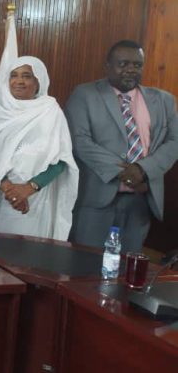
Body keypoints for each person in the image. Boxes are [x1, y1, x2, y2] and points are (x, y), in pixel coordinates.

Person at [66, 40, 178, 253]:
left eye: (137, 65)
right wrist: (124, 172)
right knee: (86, 263)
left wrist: (142, 169)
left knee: (128, 265)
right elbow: (79, 140)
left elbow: (174, 142)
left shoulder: (164, 100)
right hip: (96, 198)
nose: (130, 70)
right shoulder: (85, 94)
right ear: (107, 66)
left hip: (141, 199)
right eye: (123, 64)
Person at [0, 56, 78, 240]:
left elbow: (62, 160)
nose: (19, 81)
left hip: (36, 199)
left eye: (26, 76)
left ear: (38, 81)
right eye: (14, 75)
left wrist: (29, 188)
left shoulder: (51, 111)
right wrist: (9, 189)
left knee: (28, 252)